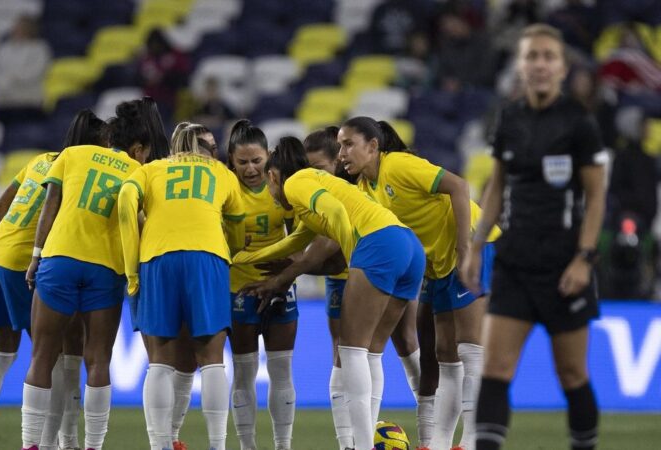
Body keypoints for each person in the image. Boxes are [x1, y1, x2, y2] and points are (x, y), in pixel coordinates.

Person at [460, 24, 606, 450]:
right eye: (532, 57)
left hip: (564, 265)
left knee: (573, 375)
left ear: (561, 67)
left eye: (548, 57)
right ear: (521, 66)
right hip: (515, 262)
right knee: (495, 369)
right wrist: (476, 245)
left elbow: (596, 197)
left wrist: (584, 258)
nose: (539, 64)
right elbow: (496, 186)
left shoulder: (579, 122)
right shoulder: (509, 117)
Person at [233, 137, 425, 450]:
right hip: (407, 245)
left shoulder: (296, 184)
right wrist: (244, 259)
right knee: (370, 352)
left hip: (377, 245)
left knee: (349, 352)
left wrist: (354, 258)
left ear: (272, 176)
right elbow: (295, 243)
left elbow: (335, 211)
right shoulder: (310, 188)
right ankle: (368, 440)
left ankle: (360, 446)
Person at [338, 117, 499, 450]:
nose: (341, 153)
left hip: (469, 246)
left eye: (348, 144)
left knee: (470, 349)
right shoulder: (366, 188)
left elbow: (458, 186)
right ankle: (440, 443)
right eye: (339, 145)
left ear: (373, 146)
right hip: (439, 266)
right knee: (445, 356)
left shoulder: (398, 166)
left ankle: (471, 441)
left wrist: (465, 249)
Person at [0, 110, 106, 450]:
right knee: (48, 357)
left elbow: (1, 204)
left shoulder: (40, 161)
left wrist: (14, 237)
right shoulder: (79, 172)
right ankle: (49, 442)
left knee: (2, 354)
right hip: (20, 264)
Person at [20, 100, 151, 450]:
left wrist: (36, 256)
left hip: (60, 258)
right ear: (137, 148)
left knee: (43, 356)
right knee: (98, 359)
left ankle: (30, 444)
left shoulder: (73, 154)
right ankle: (93, 445)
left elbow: (50, 206)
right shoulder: (137, 171)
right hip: (106, 268)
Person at [118, 125, 246, 450]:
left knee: (160, 359)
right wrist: (227, 251)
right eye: (211, 147)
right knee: (212, 357)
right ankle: (218, 445)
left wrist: (131, 266)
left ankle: (159, 444)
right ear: (201, 149)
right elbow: (238, 223)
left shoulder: (151, 170)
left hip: (157, 257)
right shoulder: (222, 173)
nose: (215, 153)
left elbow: (124, 203)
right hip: (208, 256)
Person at [215, 120, 296, 450]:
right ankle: (247, 446)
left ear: (270, 156)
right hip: (239, 290)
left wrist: (287, 268)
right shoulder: (224, 191)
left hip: (279, 288)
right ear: (230, 161)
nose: (250, 169)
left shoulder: (285, 188)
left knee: (281, 371)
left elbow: (301, 238)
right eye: (242, 162)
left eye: (257, 161)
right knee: (244, 373)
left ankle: (283, 445)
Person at [0, 16, 51, 124]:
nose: (16, 29)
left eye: (21, 26)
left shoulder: (40, 48)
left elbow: (35, 72)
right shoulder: (2, 49)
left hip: (28, 104)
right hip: (2, 103)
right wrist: (1, 82)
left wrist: (12, 78)